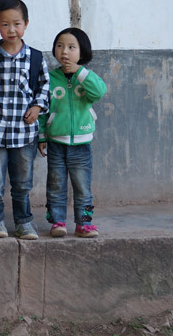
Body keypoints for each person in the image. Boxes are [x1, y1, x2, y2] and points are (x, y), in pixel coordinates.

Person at [0, 0, 50, 240]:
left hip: (24, 132)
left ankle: (24, 222)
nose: (12, 30)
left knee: (22, 184)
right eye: (5, 24)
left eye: (17, 24)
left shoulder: (35, 57)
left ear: (26, 24)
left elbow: (44, 86)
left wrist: (38, 107)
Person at [37, 28, 106, 238]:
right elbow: (43, 109)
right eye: (60, 46)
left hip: (82, 145)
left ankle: (84, 223)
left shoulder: (86, 77)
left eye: (71, 47)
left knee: (83, 187)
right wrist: (42, 136)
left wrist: (80, 72)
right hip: (56, 143)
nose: (64, 51)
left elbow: (99, 92)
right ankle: (57, 222)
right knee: (55, 185)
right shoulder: (50, 78)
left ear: (81, 52)